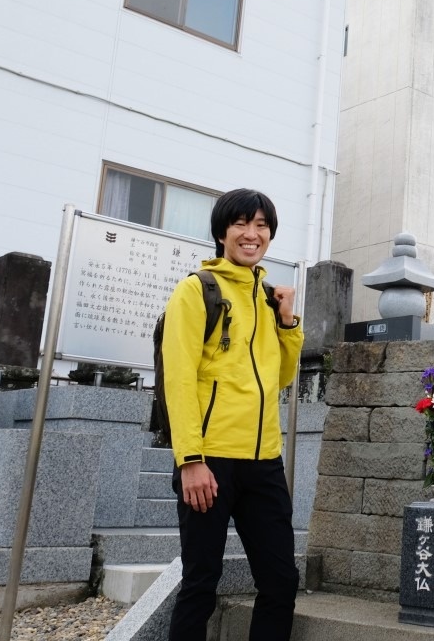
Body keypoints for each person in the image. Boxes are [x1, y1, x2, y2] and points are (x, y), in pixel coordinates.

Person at [162, 188, 304, 641]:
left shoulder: (267, 297)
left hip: (263, 462)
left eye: (261, 225)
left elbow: (280, 378)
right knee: (201, 583)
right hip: (210, 460)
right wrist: (190, 459)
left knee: (281, 580)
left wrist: (287, 323)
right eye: (241, 223)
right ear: (222, 233)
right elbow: (178, 379)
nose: (251, 234)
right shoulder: (196, 290)